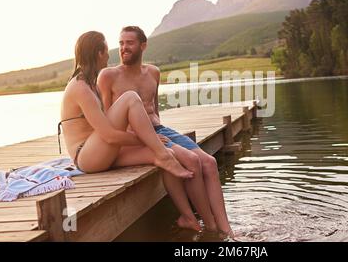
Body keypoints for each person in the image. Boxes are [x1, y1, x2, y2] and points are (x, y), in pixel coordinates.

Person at [97, 26, 234, 237]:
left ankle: (226, 228)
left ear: (143, 46)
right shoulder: (108, 76)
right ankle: (210, 227)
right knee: (191, 160)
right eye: (121, 43)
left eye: (129, 43)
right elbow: (108, 120)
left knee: (210, 162)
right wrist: (143, 140)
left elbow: (154, 110)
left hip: (160, 129)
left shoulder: (153, 72)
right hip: (137, 136)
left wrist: (164, 136)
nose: (124, 48)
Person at [59, 30, 193, 181]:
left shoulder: (90, 84)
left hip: (101, 150)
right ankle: (162, 153)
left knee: (166, 155)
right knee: (130, 97)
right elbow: (109, 136)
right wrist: (147, 139)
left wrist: (149, 141)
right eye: (107, 51)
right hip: (87, 157)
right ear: (99, 53)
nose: (109, 56)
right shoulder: (80, 87)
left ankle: (183, 201)